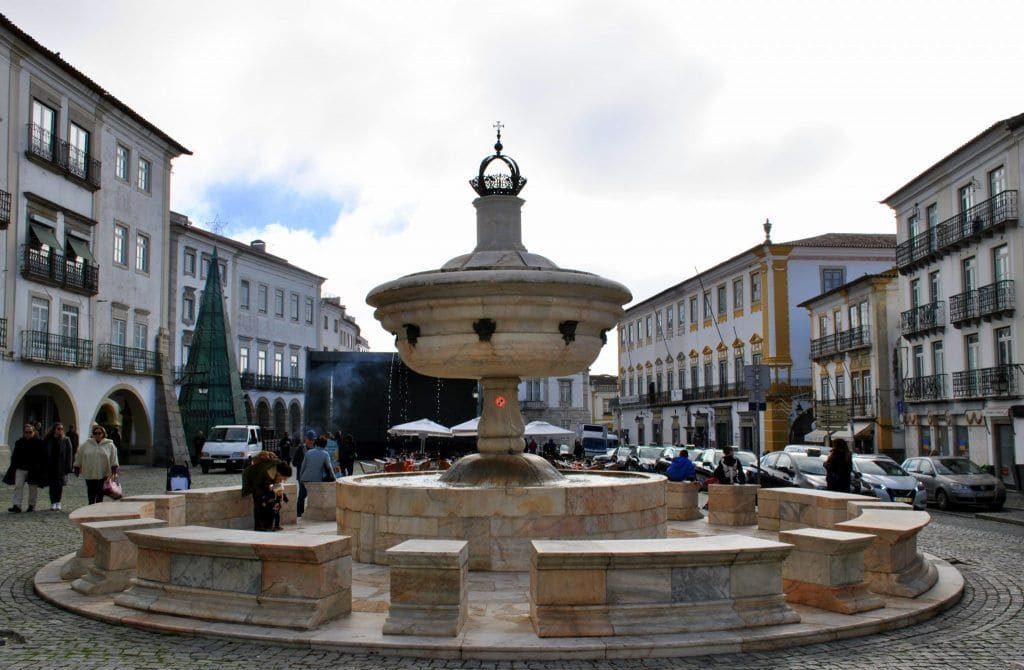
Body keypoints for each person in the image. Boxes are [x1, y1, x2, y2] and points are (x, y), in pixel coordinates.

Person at [242, 451, 291, 531]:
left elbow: (275, 481)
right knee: (260, 506)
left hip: (260, 486)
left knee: (265, 506)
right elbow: (261, 482)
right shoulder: (266, 468)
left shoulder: (270, 467)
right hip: (257, 486)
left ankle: (265, 525)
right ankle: (261, 526)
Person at [4, 423, 46, 512]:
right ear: (23, 432)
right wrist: (14, 466)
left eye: (30, 432)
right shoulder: (20, 442)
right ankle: (17, 505)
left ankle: (31, 505)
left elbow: (42, 456)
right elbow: (15, 456)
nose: (28, 434)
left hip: (34, 469)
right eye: (26, 432)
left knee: (33, 488)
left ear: (34, 432)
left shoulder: (39, 442)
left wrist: (40, 468)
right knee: (18, 486)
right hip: (21, 467)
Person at [73, 425, 119, 505]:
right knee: (91, 491)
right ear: (93, 434)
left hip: (104, 472)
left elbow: (113, 457)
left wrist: (114, 467)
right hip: (89, 471)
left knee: (100, 491)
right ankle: (90, 506)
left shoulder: (110, 445)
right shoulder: (86, 445)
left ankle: (98, 506)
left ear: (103, 434)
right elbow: (80, 455)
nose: (97, 435)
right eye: (95, 433)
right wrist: (77, 466)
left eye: (99, 433)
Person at [297, 434, 334, 518]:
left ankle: (299, 513)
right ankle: (313, 514)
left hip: (305, 478)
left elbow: (303, 467)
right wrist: (334, 479)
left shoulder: (308, 452)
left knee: (301, 496)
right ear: (325, 445)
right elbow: (329, 468)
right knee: (314, 498)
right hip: (316, 480)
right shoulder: (325, 454)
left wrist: (300, 478)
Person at [43, 422, 74, 511]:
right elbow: (44, 453)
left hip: (61, 467)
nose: (60, 430)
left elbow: (69, 454)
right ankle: (53, 502)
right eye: (58, 429)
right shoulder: (48, 440)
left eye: (61, 429)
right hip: (51, 466)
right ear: (54, 429)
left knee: (59, 485)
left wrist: (69, 466)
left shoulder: (66, 440)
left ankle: (58, 502)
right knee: (52, 485)